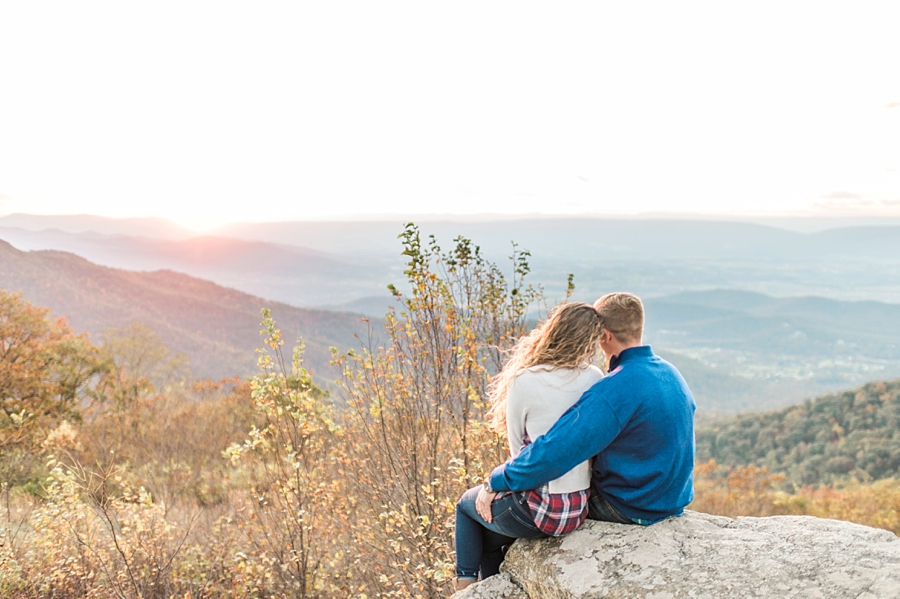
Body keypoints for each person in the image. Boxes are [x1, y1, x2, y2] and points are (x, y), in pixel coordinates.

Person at [483, 292, 696, 527]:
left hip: (630, 506)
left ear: (604, 335)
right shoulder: (671, 374)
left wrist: (496, 479)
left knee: (508, 511)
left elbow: (556, 451)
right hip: (671, 502)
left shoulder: (616, 387)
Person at [454, 302, 605, 591]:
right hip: (577, 509)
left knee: (465, 507)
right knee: (487, 537)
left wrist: (491, 488)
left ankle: (465, 591)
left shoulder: (524, 380)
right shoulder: (594, 377)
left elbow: (517, 455)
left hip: (540, 511)